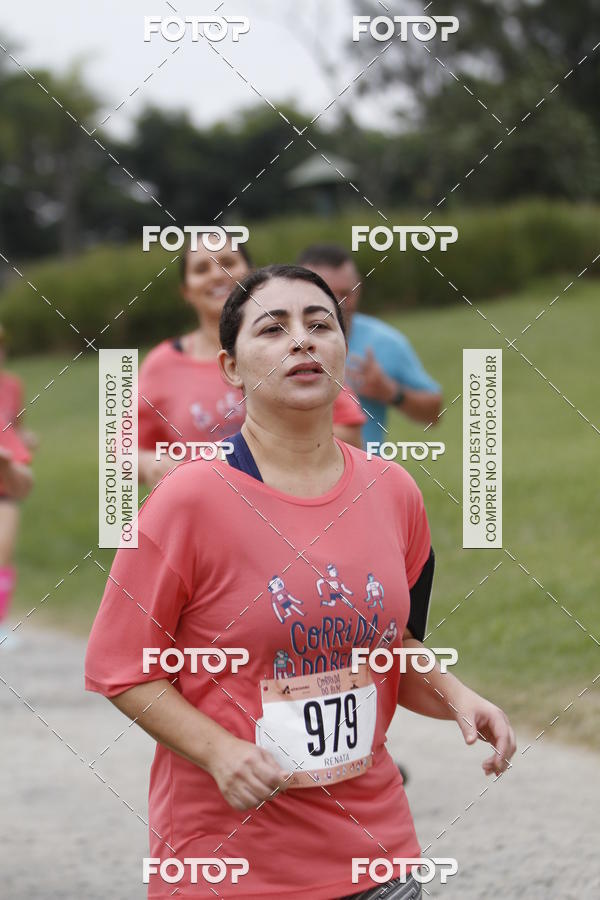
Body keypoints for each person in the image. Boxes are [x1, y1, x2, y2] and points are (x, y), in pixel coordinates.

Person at [85, 265, 516, 900]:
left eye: (321, 324)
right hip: (232, 867)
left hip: (377, 856)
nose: (303, 340)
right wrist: (219, 753)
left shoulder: (394, 491)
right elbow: (119, 666)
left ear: (343, 348)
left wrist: (457, 694)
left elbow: (384, 643)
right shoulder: (186, 504)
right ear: (231, 368)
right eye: (273, 328)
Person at [138, 240, 366, 488]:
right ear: (186, 291)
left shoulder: (300, 352)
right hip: (205, 507)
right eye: (202, 269)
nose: (217, 274)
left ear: (250, 272)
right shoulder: (162, 364)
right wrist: (152, 463)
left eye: (228, 263)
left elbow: (349, 434)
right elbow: (121, 452)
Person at [296, 245, 442, 448]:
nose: (339, 304)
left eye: (347, 293)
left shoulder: (384, 342)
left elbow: (434, 413)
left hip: (366, 474)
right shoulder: (277, 345)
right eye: (327, 293)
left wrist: (392, 392)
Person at [0, 327, 35, 648]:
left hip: (7, 479)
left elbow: (18, 427)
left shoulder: (12, 386)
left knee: (3, 550)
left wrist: (26, 440)